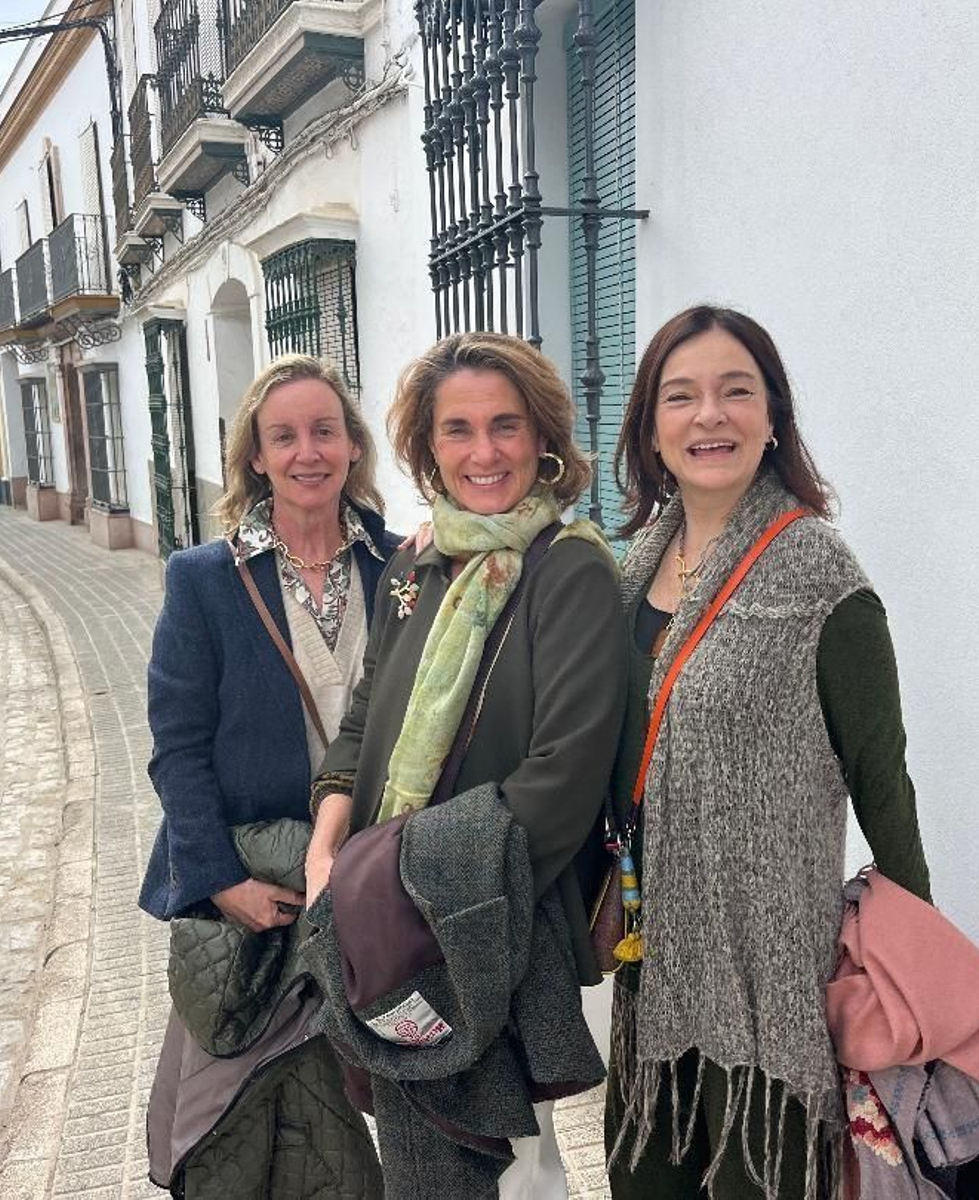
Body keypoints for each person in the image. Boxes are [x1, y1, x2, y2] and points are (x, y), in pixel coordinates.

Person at [603, 306, 933, 1199]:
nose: (709, 416)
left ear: (773, 415)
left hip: (770, 994)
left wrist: (911, 974)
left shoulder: (823, 579)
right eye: (681, 397)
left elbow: (881, 780)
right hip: (652, 978)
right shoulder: (627, 568)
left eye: (734, 391)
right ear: (650, 427)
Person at [306, 331, 628, 1198]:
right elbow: (368, 713)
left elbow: (564, 777)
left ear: (544, 439)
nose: (483, 452)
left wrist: (411, 881)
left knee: (514, 1167)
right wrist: (330, 839)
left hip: (497, 916)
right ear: (427, 448)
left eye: (505, 426)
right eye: (457, 430)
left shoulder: (572, 572)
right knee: (425, 1156)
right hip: (388, 918)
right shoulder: (415, 564)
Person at [139, 355, 397, 1196]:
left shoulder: (403, 572)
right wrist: (221, 883)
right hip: (256, 897)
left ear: (354, 447)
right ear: (255, 457)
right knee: (243, 1117)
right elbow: (178, 748)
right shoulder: (205, 580)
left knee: (366, 1106)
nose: (307, 452)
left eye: (326, 431)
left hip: (365, 890)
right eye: (283, 436)